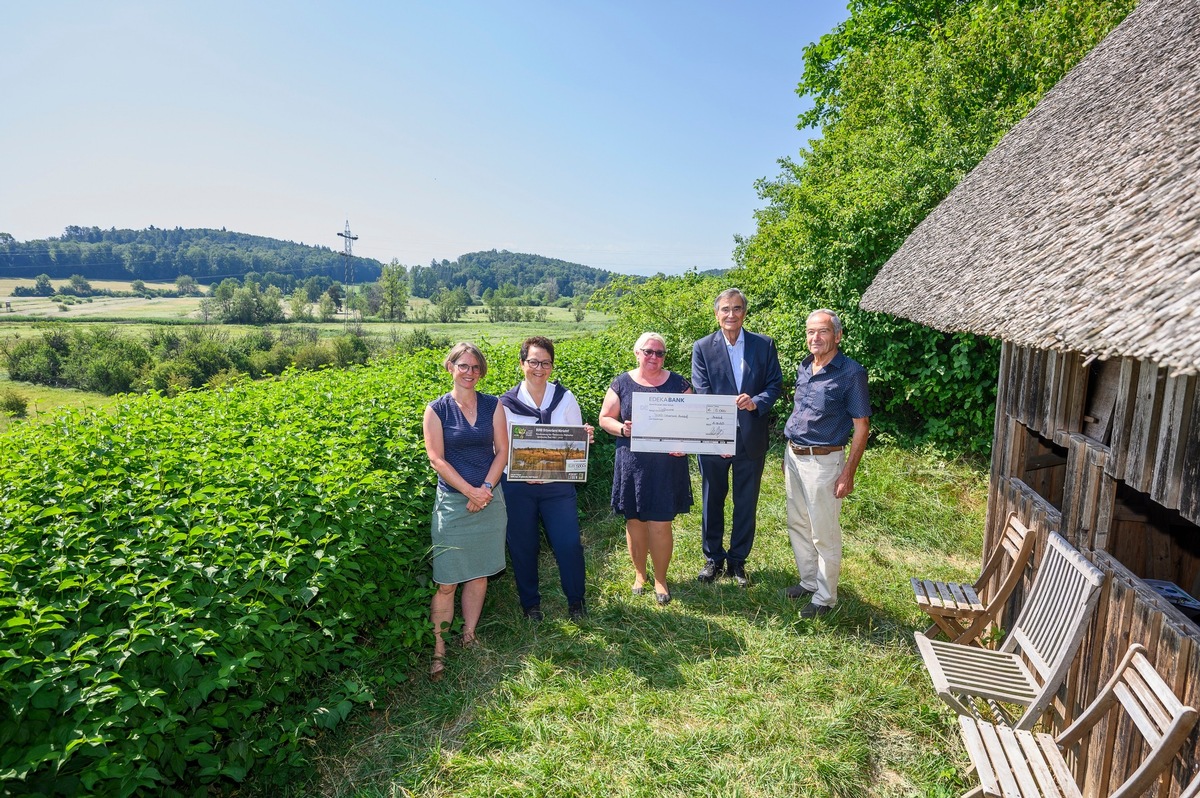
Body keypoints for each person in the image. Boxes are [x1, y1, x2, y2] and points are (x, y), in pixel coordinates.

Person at [422, 342, 509, 680]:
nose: (470, 372)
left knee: (480, 572)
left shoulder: (493, 405)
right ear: (451, 367)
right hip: (454, 504)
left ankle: (469, 635)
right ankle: (439, 651)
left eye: (475, 367)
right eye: (464, 366)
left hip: (489, 499)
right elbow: (436, 459)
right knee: (446, 582)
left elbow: (502, 451)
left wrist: (485, 490)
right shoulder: (436, 410)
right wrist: (469, 491)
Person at [691, 288, 783, 587]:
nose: (731, 315)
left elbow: (774, 384)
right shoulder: (702, 347)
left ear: (745, 312)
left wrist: (756, 401)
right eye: (725, 309)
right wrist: (723, 433)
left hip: (751, 438)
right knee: (712, 499)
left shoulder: (764, 344)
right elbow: (702, 391)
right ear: (716, 313)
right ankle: (713, 559)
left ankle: (738, 561)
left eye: (737, 308)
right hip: (714, 437)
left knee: (746, 502)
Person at [782, 309, 871, 618]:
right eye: (810, 332)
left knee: (824, 532)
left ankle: (824, 598)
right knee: (798, 523)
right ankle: (808, 582)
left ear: (837, 336)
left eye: (822, 332)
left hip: (823, 462)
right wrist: (789, 454)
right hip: (794, 456)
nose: (814, 338)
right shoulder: (805, 367)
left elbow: (862, 426)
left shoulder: (851, 373)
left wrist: (848, 472)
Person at [499, 336, 593, 622]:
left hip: (557, 486)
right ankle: (530, 605)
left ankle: (576, 601)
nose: (539, 368)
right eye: (533, 362)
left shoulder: (565, 397)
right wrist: (524, 472)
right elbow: (500, 448)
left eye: (546, 362)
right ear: (522, 364)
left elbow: (575, 441)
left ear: (552, 365)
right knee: (523, 546)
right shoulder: (504, 404)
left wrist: (585, 439)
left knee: (568, 544)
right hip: (517, 487)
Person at [598, 332, 693, 606]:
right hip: (632, 463)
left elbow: (694, 421)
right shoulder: (622, 383)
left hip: (667, 465)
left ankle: (661, 579)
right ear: (636, 353)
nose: (653, 357)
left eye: (659, 352)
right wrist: (621, 428)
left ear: (665, 356)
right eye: (648, 351)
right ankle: (640, 575)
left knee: (661, 525)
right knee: (635, 522)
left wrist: (684, 442)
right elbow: (605, 418)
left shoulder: (679, 384)